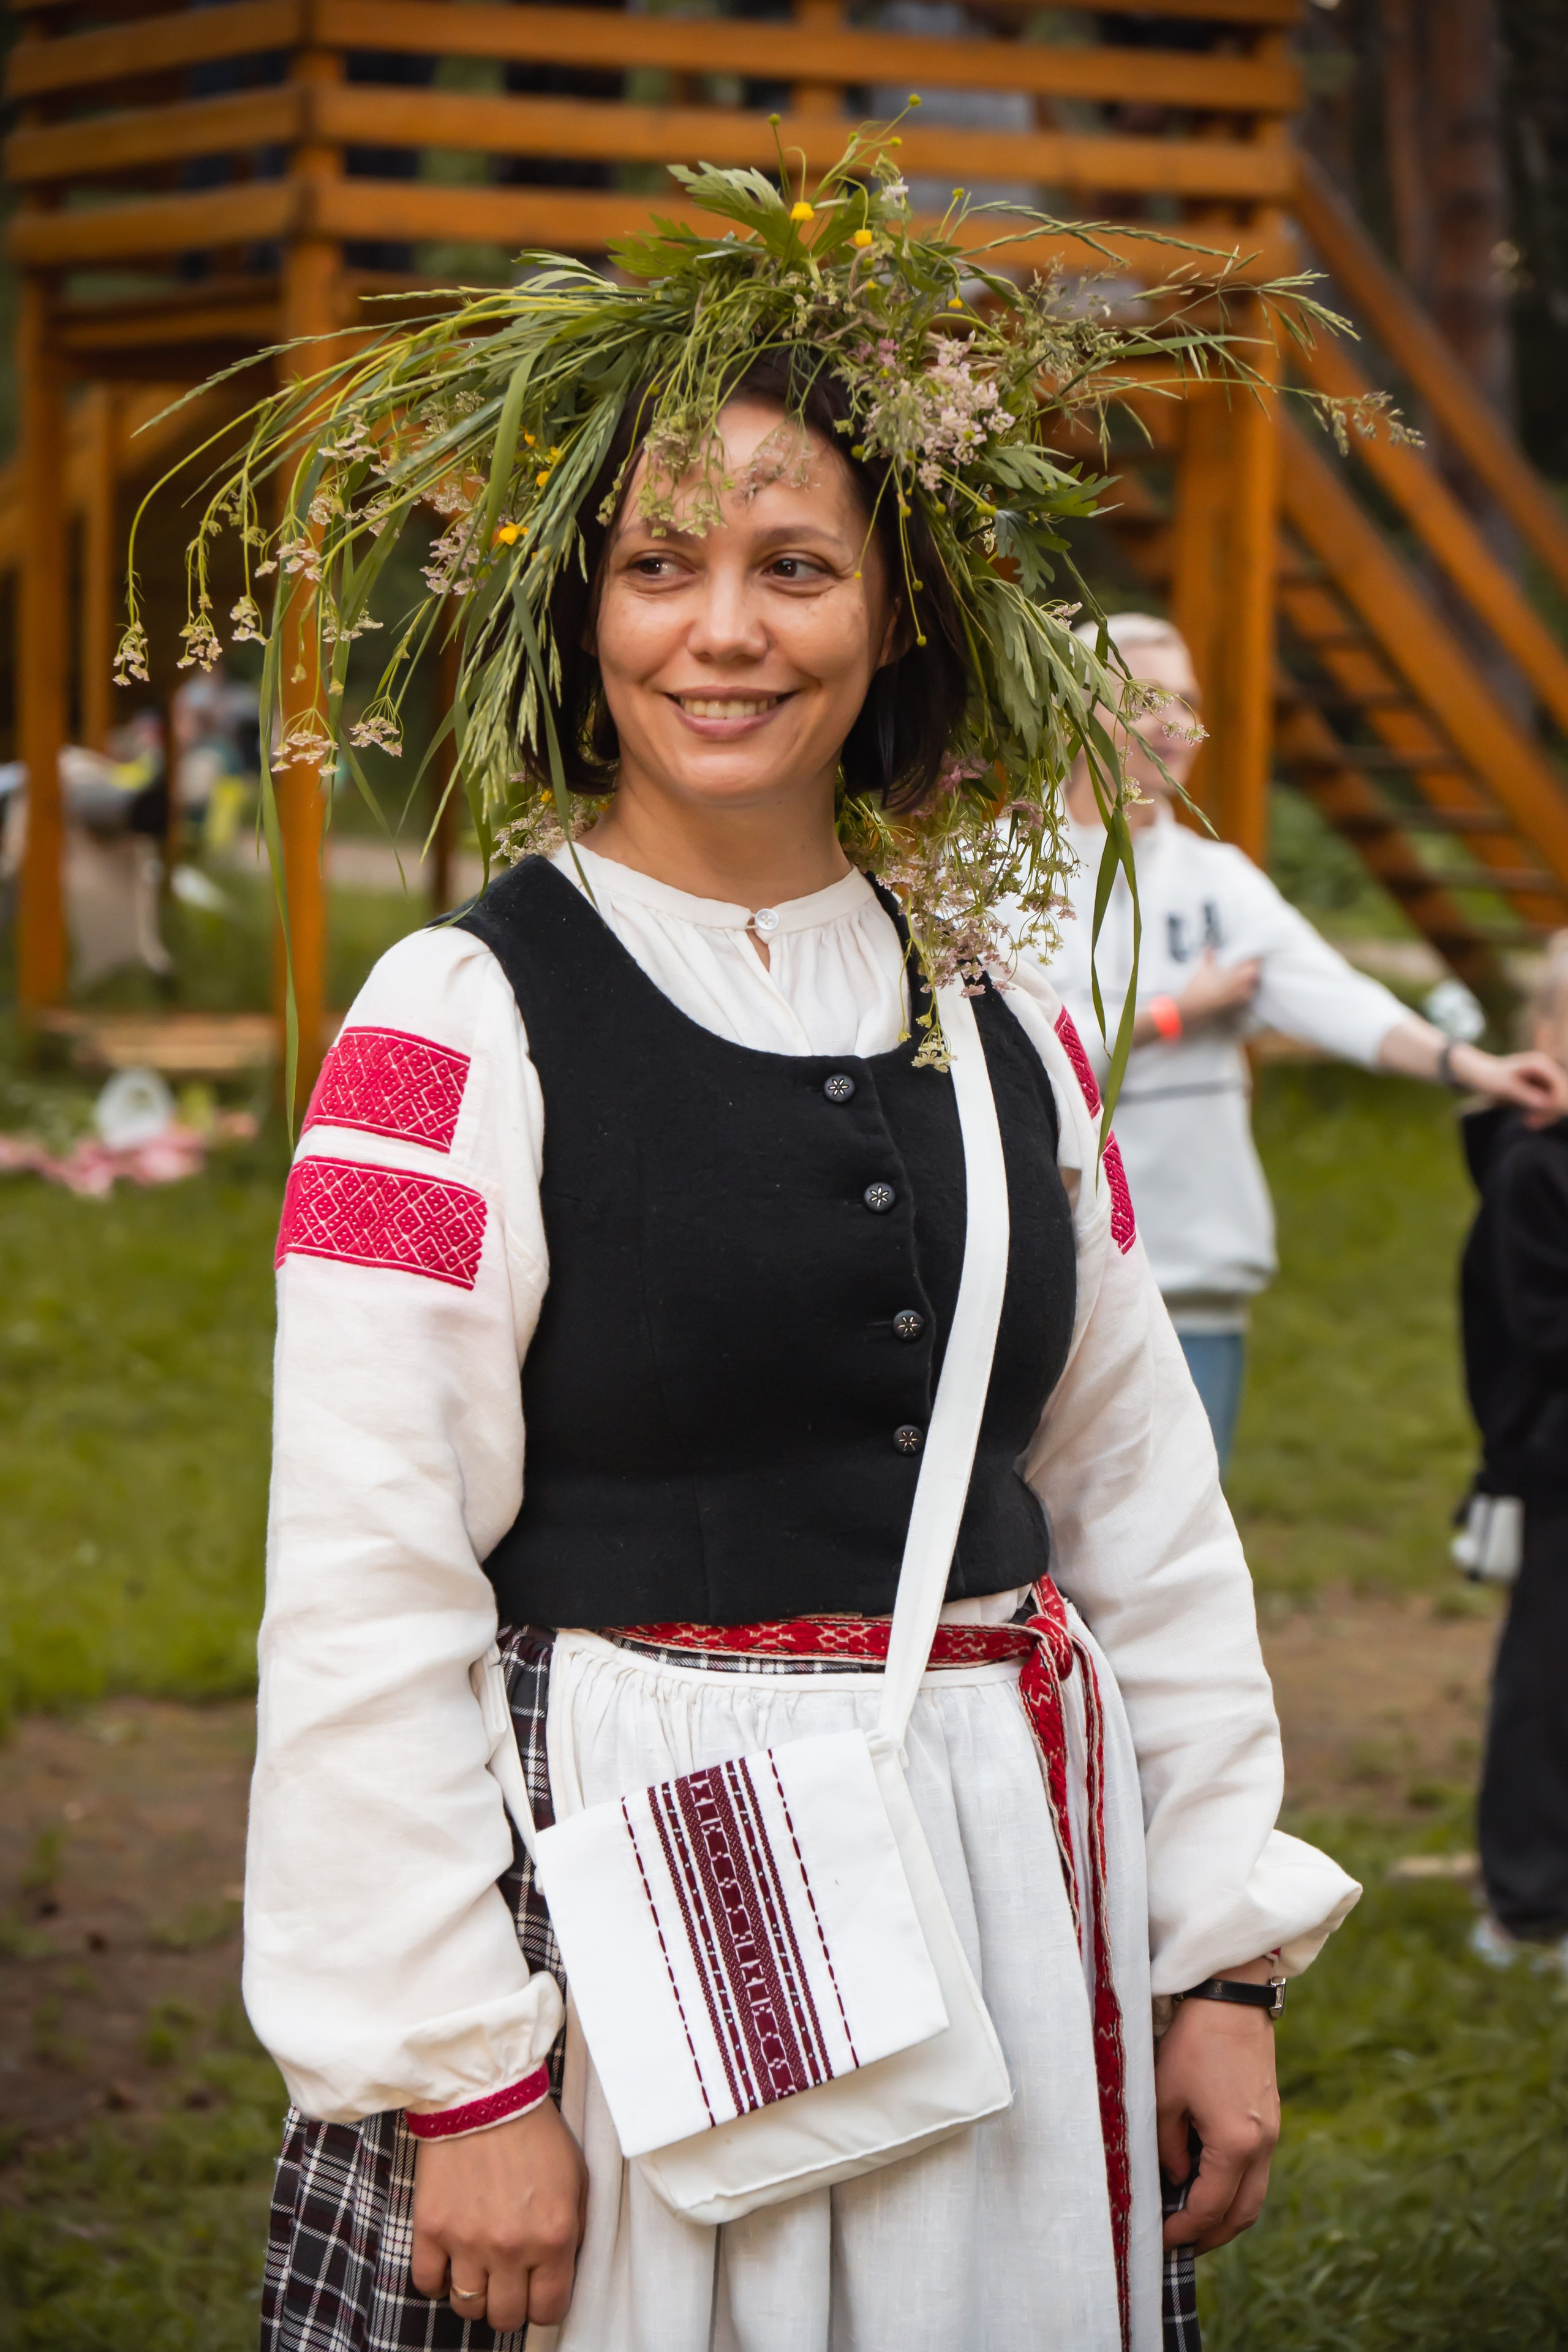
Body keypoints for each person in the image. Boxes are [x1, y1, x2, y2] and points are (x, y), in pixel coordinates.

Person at [193, 154, 1367, 2352]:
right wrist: (467, 2077)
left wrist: (1211, 1958)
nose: (723, 631)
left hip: (1009, 1901)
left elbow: (1143, 1509)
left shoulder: (1006, 1012)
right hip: (625, 1944)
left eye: (793, 565)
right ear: (579, 608)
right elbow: (363, 1578)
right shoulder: (452, 1028)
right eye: (659, 566)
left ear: (897, 611)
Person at [1039, 612, 1568, 1469]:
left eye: (1190, 701)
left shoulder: (1220, 879)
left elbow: (1335, 998)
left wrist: (1476, 1068)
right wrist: (1176, 1013)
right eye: (1147, 699)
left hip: (1196, 1269)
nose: (1177, 725)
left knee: (1183, 1548)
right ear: (1079, 707)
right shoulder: (1012, 871)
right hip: (1055, 1275)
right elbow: (1021, 1059)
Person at [1460, 935, 1568, 1966]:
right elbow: (1542, 1330)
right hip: (1555, 1470)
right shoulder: (1534, 1169)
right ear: (1545, 1041)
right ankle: (1526, 1903)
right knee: (1548, 1683)